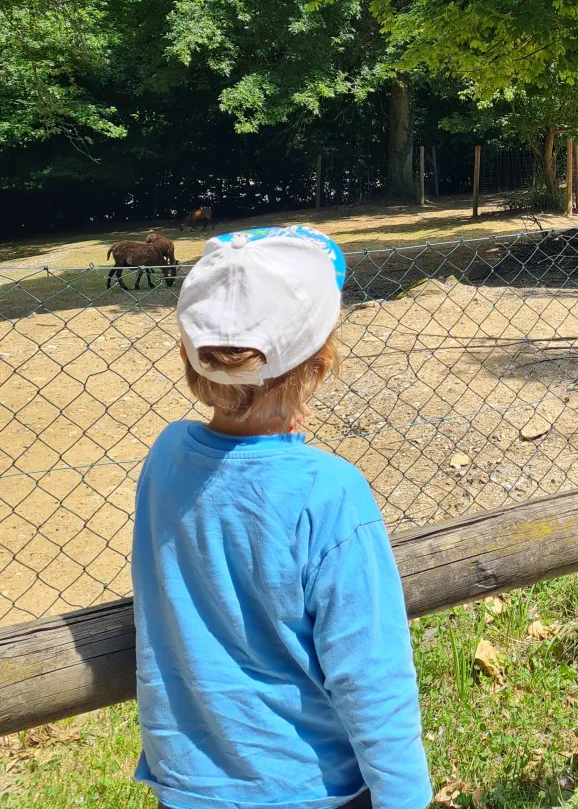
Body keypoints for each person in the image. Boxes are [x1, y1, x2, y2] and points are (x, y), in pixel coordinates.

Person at [132, 224, 433, 809]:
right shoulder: (329, 492)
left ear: (188, 361)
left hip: (187, 784)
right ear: (321, 364)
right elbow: (371, 675)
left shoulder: (166, 459)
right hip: (311, 787)